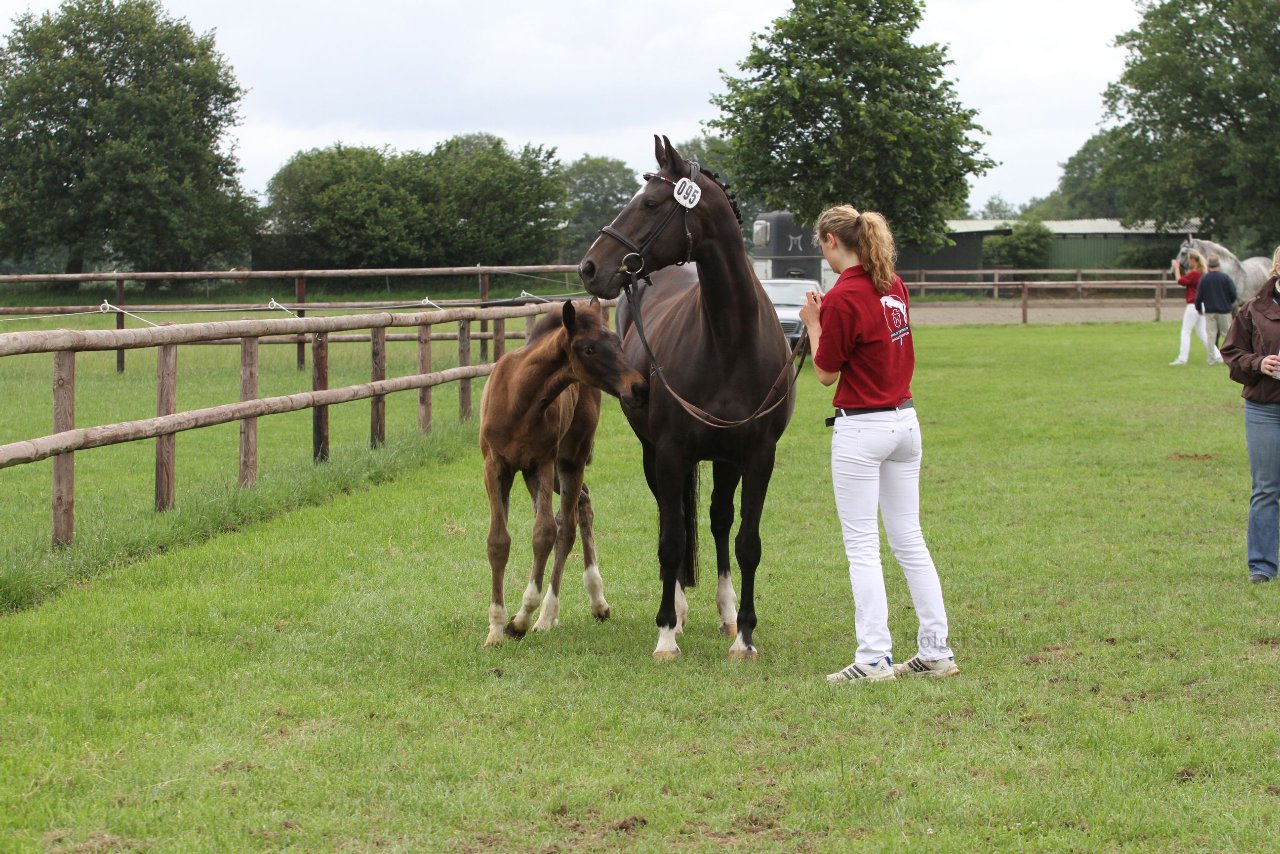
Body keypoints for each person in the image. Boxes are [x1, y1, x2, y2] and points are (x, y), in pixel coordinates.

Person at [798, 204, 958, 683]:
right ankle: (935, 650)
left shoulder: (842, 296)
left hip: (862, 428)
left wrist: (812, 321)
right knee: (910, 540)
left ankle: (873, 657)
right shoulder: (893, 283)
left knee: (863, 545)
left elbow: (826, 374)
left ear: (831, 241)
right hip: (905, 422)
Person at [1221, 245, 1280, 584]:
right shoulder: (1253, 310)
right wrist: (1259, 363)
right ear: (1277, 267)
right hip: (1265, 410)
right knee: (1266, 489)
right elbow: (1231, 352)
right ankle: (1262, 566)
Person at [1170, 251, 1214, 365]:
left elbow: (1180, 281)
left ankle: (1182, 358)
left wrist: (1176, 268)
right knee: (1202, 333)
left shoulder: (1194, 273)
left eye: (1190, 260)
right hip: (1202, 304)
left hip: (1193, 305)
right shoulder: (1203, 273)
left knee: (1185, 331)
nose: (1188, 262)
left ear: (1193, 260)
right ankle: (1218, 355)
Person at [1195, 255, 1236, 364]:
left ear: (1208, 265)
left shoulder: (1204, 279)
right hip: (1224, 311)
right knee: (1227, 335)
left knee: (1211, 336)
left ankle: (1211, 359)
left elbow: (1199, 296)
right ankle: (1229, 358)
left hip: (1210, 311)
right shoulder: (1225, 277)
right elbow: (1233, 293)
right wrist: (1229, 303)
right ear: (1218, 265)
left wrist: (1198, 308)